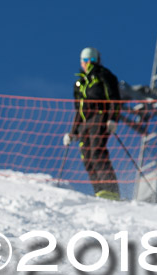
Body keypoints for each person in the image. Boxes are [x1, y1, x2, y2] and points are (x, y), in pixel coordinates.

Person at [62, 47, 121, 200]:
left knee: (97, 152)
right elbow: (78, 110)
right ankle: (100, 191)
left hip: (99, 117)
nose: (88, 63)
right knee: (87, 157)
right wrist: (73, 132)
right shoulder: (79, 83)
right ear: (81, 62)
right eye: (85, 60)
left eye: (91, 60)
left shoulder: (103, 75)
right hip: (84, 124)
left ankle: (111, 190)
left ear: (97, 61)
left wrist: (112, 118)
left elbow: (114, 98)